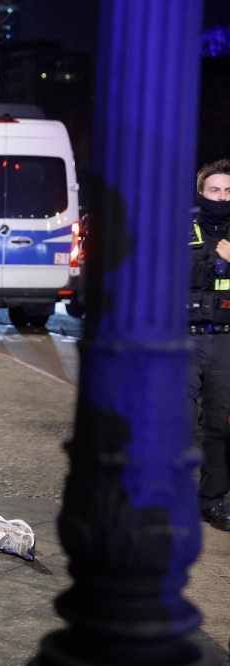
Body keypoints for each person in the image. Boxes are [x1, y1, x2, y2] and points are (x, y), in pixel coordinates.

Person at [188, 159, 230, 531]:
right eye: (214, 190)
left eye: (228, 191)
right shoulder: (180, 230)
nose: (222, 197)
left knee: (221, 426)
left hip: (225, 344)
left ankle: (212, 502)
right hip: (183, 340)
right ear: (201, 193)